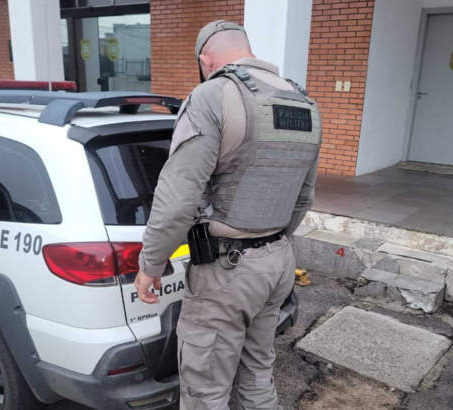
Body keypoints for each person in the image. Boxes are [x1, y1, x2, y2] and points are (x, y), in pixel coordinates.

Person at [134, 20, 322, 409]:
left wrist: (151, 264)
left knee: (205, 391)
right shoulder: (304, 104)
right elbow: (304, 196)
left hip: (227, 271)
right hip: (278, 262)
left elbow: (179, 197)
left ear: (205, 60)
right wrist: (269, 242)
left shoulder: (212, 95)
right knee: (257, 375)